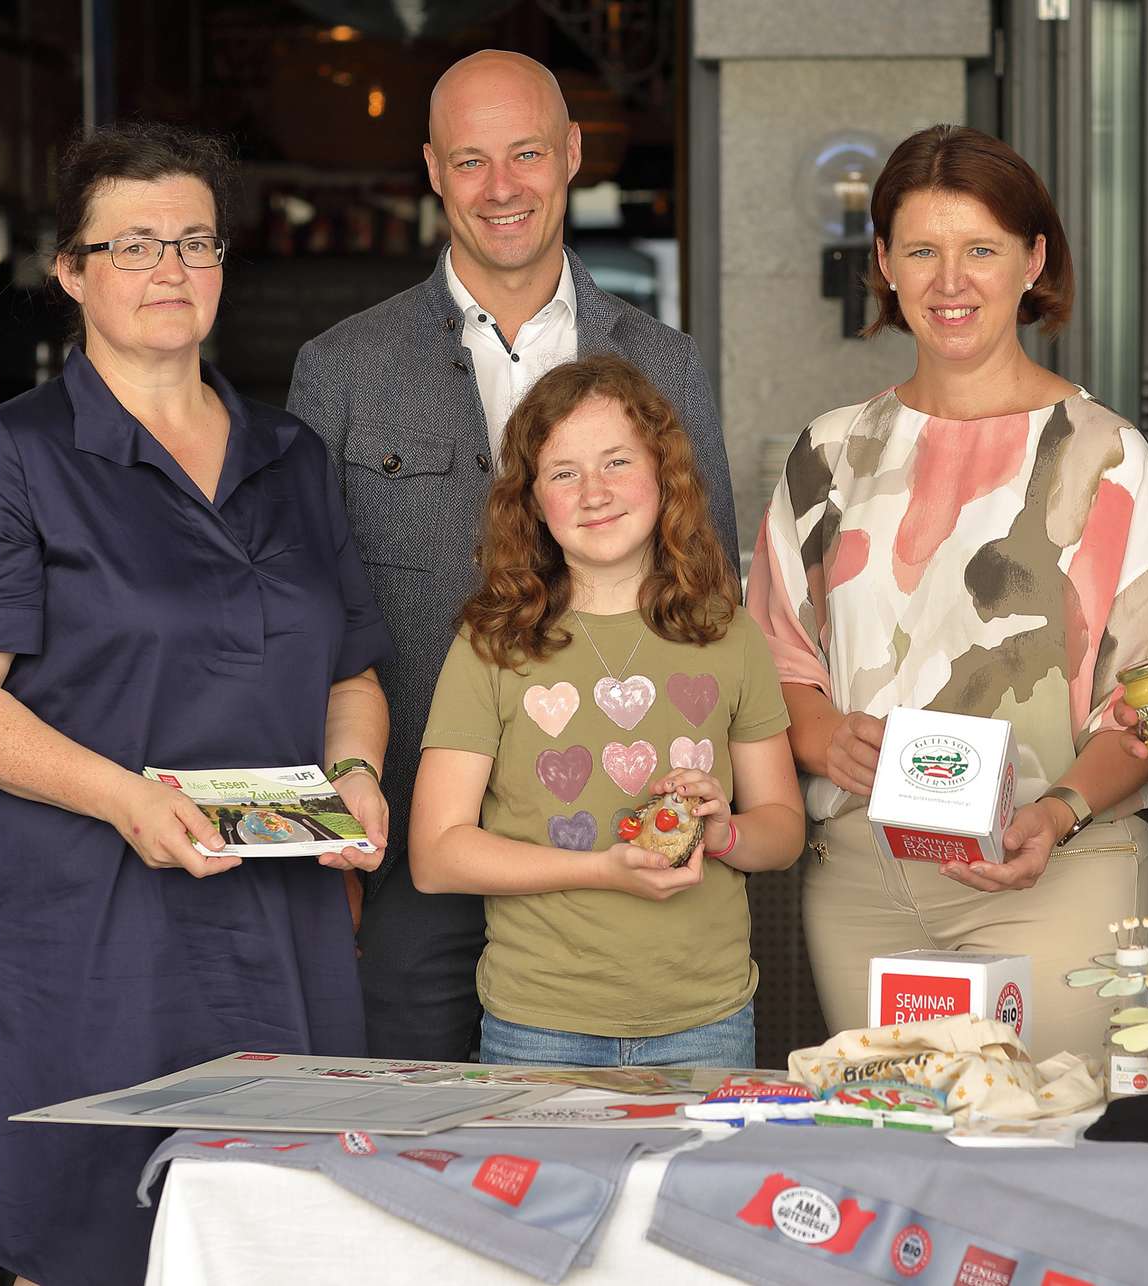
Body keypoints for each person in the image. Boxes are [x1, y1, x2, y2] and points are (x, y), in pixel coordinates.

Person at [0, 121, 390, 1286]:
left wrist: (358, 775)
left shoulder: (291, 454)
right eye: (133, 244)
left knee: (280, 1230)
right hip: (84, 925)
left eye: (194, 240)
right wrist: (125, 798)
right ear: (71, 272)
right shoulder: (12, 455)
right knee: (86, 1241)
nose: (170, 267)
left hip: (274, 912)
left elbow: (351, 672)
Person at [289, 50, 739, 1062]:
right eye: (471, 160)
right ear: (433, 171)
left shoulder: (663, 362)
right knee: (414, 1131)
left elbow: (711, 589)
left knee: (613, 1137)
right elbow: (308, 618)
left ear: (572, 153)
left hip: (614, 849)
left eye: (526, 153)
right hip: (412, 849)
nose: (502, 187)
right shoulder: (341, 370)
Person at [747, 125, 1148, 1062]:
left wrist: (1057, 812)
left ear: (1033, 260)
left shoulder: (1107, 457)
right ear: (884, 263)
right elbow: (772, 660)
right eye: (922, 251)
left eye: (981, 251)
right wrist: (824, 736)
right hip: (865, 883)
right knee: (892, 1137)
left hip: (1058, 871)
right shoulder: (827, 454)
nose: (950, 281)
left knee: (1046, 1134)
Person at [408, 355, 802, 1067]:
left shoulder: (729, 633)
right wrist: (602, 870)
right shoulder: (492, 642)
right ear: (532, 501)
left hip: (706, 1019)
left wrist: (723, 833)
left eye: (617, 462)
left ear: (664, 473)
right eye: (563, 473)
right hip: (538, 1022)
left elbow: (783, 832)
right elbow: (436, 855)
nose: (594, 493)